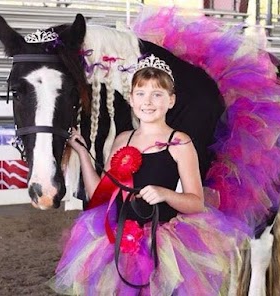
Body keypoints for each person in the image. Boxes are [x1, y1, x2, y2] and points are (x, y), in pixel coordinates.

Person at [50, 54, 249, 296]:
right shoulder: (124, 140)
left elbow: (196, 202)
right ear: (132, 99)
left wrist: (165, 194)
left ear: (171, 100)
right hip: (122, 239)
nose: (149, 101)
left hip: (164, 243)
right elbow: (100, 197)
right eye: (141, 93)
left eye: (157, 94)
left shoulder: (179, 142)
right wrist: (82, 153)